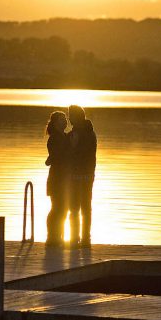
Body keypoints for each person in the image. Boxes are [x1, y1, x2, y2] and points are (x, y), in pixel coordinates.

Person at [68, 105, 97, 247]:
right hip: (88, 175)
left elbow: (76, 154)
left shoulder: (78, 133)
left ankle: (75, 238)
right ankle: (86, 239)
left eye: (70, 115)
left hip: (77, 175)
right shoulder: (90, 132)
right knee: (86, 207)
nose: (68, 118)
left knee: (74, 208)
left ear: (76, 116)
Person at [45, 111, 70, 247]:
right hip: (57, 179)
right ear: (55, 123)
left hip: (65, 179)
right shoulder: (54, 138)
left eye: (65, 119)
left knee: (63, 208)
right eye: (62, 119)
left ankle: (58, 236)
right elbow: (57, 156)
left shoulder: (65, 136)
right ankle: (52, 237)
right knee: (57, 208)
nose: (65, 121)